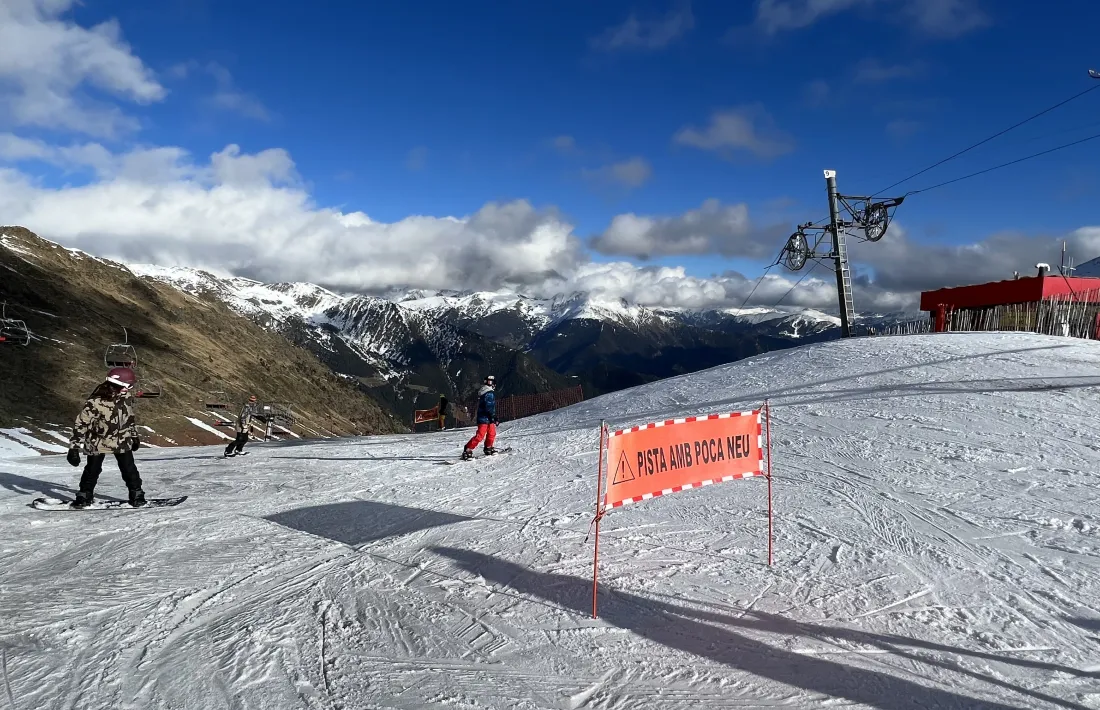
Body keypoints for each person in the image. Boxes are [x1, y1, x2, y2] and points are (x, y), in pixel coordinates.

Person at [66, 367, 145, 508]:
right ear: (118, 384)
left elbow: (129, 418)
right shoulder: (95, 402)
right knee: (92, 469)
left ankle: (136, 494)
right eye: (129, 385)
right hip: (98, 441)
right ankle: (85, 495)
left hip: (121, 440)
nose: (130, 388)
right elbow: (81, 424)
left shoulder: (126, 398)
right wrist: (74, 448)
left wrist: (134, 435)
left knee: (129, 469)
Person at [462, 375, 498, 459]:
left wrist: (492, 417)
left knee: (491, 433)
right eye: (491, 382)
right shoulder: (489, 393)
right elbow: (488, 406)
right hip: (484, 418)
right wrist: (493, 417)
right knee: (480, 435)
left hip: (487, 417)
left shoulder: (485, 392)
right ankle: (468, 449)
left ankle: (488, 447)